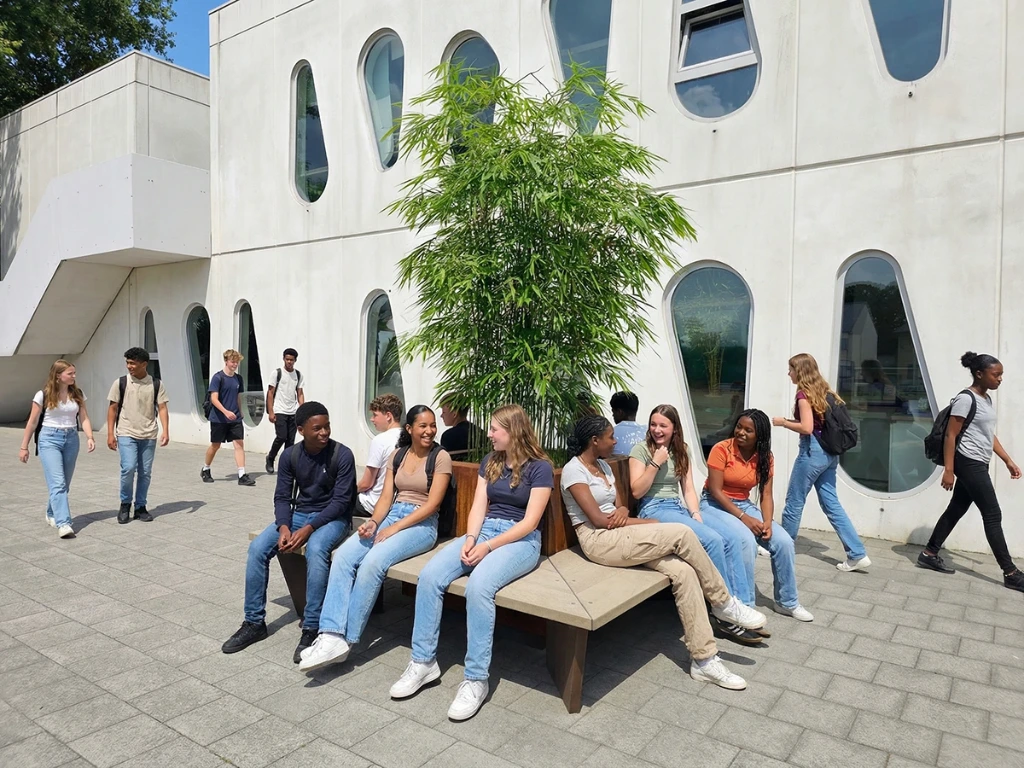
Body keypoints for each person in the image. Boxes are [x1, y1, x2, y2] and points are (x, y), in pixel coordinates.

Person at [563, 415, 766, 689]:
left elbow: (621, 506)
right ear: (594, 440)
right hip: (599, 541)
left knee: (683, 571)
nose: (615, 441)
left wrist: (628, 515)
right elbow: (599, 520)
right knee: (681, 533)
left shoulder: (603, 466)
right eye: (611, 437)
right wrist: (642, 521)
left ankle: (704, 660)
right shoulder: (574, 471)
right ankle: (723, 603)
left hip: (621, 533)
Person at [389, 404, 551, 721]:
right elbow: (479, 506)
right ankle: (423, 662)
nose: (488, 434)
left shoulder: (539, 467)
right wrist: (471, 539)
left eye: (494, 429)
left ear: (513, 430)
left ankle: (476, 679)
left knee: (479, 588)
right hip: (484, 531)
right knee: (431, 575)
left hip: (520, 541)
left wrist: (488, 547)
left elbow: (530, 522)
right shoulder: (491, 461)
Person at [300, 405, 451, 673]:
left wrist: (394, 528)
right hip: (394, 515)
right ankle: (331, 634)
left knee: (373, 563)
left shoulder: (440, 457)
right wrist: (374, 522)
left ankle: (348, 640)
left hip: (422, 524)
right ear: (410, 429)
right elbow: (385, 498)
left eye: (432, 425)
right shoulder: (398, 455)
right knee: (345, 556)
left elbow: (432, 505)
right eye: (423, 426)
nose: (429, 430)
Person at [222, 401, 356, 662]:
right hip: (298, 516)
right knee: (258, 548)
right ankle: (254, 623)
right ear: (301, 429)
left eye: (327, 426)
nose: (324, 432)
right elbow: (282, 497)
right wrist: (284, 526)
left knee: (316, 550)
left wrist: (308, 528)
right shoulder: (290, 455)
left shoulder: (342, 454)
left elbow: (341, 502)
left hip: (333, 518)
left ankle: (312, 627)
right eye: (317, 428)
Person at [628, 405, 759, 644]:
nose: (656, 430)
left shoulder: (682, 450)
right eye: (653, 424)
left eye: (663, 426)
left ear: (674, 428)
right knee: (712, 540)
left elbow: (688, 488)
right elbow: (637, 491)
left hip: (678, 507)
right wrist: (655, 462)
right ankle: (723, 610)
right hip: (654, 508)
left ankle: (743, 604)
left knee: (728, 538)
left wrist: (696, 513)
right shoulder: (641, 451)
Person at [918, 352, 1024, 591]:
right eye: (996, 374)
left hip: (979, 461)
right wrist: (949, 470)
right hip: (968, 462)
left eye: (1001, 375)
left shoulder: (986, 399)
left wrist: (1007, 459)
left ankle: (929, 553)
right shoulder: (966, 399)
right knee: (993, 514)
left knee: (956, 509)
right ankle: (1011, 572)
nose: (1000, 379)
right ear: (980, 374)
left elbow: (987, 434)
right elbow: (950, 435)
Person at [699, 410, 814, 622]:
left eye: (748, 430)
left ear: (759, 435)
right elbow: (715, 491)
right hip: (714, 504)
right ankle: (745, 604)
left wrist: (768, 522)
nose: (740, 432)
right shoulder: (721, 449)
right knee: (745, 541)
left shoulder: (765, 457)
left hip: (743, 504)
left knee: (784, 541)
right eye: (739, 427)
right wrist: (744, 518)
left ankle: (786, 602)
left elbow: (766, 494)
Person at [773, 353, 871, 572]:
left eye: (791, 369)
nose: (788, 373)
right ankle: (857, 553)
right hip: (829, 454)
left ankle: (781, 546)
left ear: (800, 371)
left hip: (812, 452)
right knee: (830, 503)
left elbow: (806, 428)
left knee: (794, 501)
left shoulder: (803, 394)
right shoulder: (826, 392)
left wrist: (783, 422)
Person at [19, 360, 96, 538]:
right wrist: (24, 447)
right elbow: (32, 422)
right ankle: (64, 524)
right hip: (49, 439)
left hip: (71, 439)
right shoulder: (43, 395)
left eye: (74, 373)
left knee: (64, 484)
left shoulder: (77, 393)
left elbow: (84, 417)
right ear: (58, 375)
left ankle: (51, 513)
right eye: (70, 373)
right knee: (58, 483)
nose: (74, 376)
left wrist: (90, 437)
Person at [106, 348, 170, 524]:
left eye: (133, 363)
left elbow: (162, 408)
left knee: (145, 472)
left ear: (144, 364)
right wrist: (110, 434)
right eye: (127, 362)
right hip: (126, 432)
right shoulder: (121, 383)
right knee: (128, 468)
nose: (129, 366)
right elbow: (112, 408)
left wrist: (166, 430)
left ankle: (140, 506)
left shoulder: (156, 384)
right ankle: (125, 504)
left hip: (149, 434)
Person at [201, 349, 255, 486]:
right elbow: (214, 399)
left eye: (236, 362)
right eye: (232, 362)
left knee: (239, 444)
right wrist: (226, 412)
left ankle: (242, 475)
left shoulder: (238, 379)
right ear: (226, 361)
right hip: (219, 418)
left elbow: (238, 396)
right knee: (215, 445)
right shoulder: (218, 378)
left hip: (235, 418)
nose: (235, 364)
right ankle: (206, 469)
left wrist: (240, 411)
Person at [357, 393, 404, 514]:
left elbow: (367, 483)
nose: (372, 419)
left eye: (375, 415)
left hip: (372, 504)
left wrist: (348, 491)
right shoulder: (408, 438)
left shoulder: (380, 440)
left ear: (388, 416)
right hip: (397, 504)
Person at [265, 348, 305, 474]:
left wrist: (302, 410)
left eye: (291, 360)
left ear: (295, 361)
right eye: (287, 359)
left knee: (290, 441)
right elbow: (270, 393)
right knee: (281, 436)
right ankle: (271, 457)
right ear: (283, 359)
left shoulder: (298, 375)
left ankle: (287, 465)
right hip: (279, 410)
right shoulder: (277, 373)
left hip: (293, 411)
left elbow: (300, 393)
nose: (289, 362)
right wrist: (271, 411)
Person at [439, 395, 484, 459]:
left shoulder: (448, 436)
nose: (441, 415)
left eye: (444, 412)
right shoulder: (480, 432)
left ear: (454, 414)